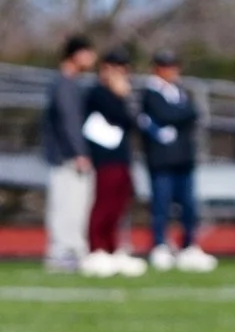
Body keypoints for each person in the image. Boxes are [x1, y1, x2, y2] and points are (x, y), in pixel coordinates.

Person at [138, 50, 215, 272]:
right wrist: (180, 115)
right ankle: (160, 244)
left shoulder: (179, 92)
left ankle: (188, 245)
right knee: (161, 205)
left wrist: (179, 115)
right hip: (162, 161)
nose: (173, 71)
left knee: (188, 206)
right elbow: (167, 115)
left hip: (183, 158)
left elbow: (191, 113)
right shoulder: (151, 93)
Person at [80, 47, 145, 277]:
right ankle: (96, 248)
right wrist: (122, 96)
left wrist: (125, 97)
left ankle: (111, 248)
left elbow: (132, 122)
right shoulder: (97, 92)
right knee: (103, 203)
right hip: (103, 157)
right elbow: (116, 116)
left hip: (121, 156)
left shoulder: (123, 94)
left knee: (118, 204)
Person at [42, 34, 97, 273]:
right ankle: (60, 253)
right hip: (67, 157)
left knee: (78, 205)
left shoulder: (73, 83)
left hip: (72, 155)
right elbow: (68, 121)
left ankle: (73, 251)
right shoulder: (64, 83)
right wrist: (79, 152)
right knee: (66, 205)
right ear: (77, 54)